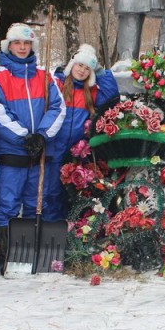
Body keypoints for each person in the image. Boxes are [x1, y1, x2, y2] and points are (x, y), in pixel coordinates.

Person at [0, 23, 65, 274]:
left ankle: (32, 255)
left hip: (40, 152)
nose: (22, 47)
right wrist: (24, 138)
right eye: (17, 43)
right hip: (13, 153)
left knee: (36, 203)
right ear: (8, 46)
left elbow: (57, 108)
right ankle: (8, 255)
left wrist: (41, 136)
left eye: (27, 43)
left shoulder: (45, 77)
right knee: (8, 204)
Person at [46, 45, 119, 223]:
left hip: (75, 151)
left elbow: (112, 94)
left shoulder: (91, 91)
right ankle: (49, 227)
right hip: (54, 146)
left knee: (69, 193)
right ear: (72, 65)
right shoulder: (58, 84)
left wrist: (100, 70)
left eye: (87, 68)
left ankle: (65, 231)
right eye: (79, 65)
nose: (82, 70)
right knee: (51, 190)